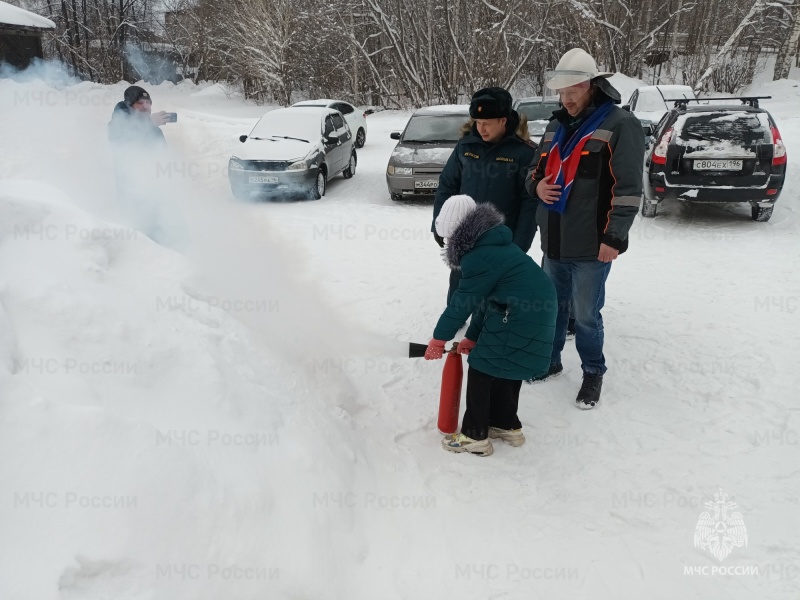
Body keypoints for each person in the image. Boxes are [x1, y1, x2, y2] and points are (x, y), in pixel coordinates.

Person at [526, 48, 644, 409]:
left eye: (573, 88)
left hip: (593, 246)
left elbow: (627, 190)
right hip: (554, 241)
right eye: (561, 91)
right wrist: (537, 186)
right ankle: (551, 360)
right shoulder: (555, 125)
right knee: (553, 308)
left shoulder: (621, 124)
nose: (567, 97)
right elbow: (533, 171)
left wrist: (615, 237)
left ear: (592, 84)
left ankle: (593, 372)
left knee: (587, 316)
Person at [424, 195, 556, 456]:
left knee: (483, 366)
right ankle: (505, 424)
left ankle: (475, 436)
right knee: (505, 363)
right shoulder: (493, 244)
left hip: (521, 313)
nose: (447, 243)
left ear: (458, 231)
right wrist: (472, 336)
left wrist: (438, 340)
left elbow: (462, 303)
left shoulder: (479, 256)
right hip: (527, 310)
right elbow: (486, 301)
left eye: (448, 237)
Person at [432, 87, 539, 302]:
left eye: (487, 123)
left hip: (503, 237)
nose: (481, 129)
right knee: (460, 291)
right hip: (465, 235)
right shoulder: (465, 146)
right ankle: (456, 320)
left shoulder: (524, 153)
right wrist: (438, 222)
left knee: (497, 294)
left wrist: (521, 244)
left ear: (503, 120)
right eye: (478, 122)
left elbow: (530, 202)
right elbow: (447, 186)